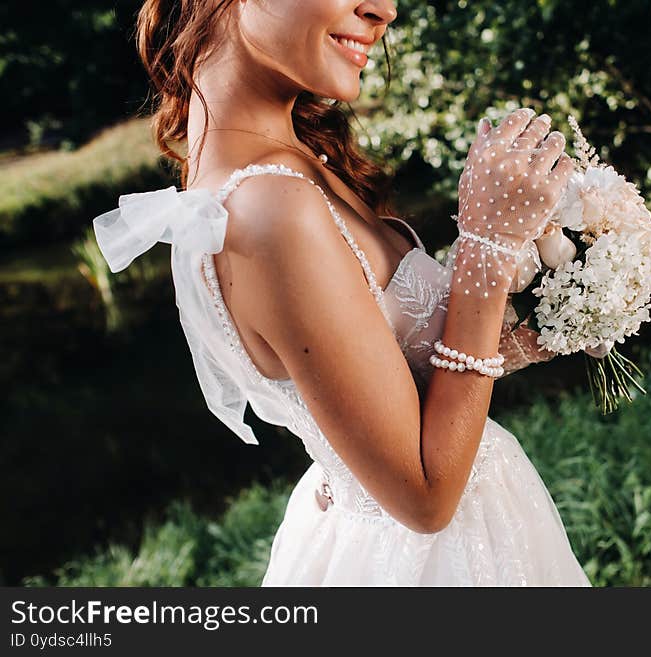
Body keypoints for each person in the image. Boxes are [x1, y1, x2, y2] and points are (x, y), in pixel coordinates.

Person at [92, 0, 590, 586]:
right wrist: (487, 244)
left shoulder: (284, 166)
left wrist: (553, 318)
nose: (385, 10)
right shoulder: (268, 208)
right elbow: (425, 498)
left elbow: (388, 385)